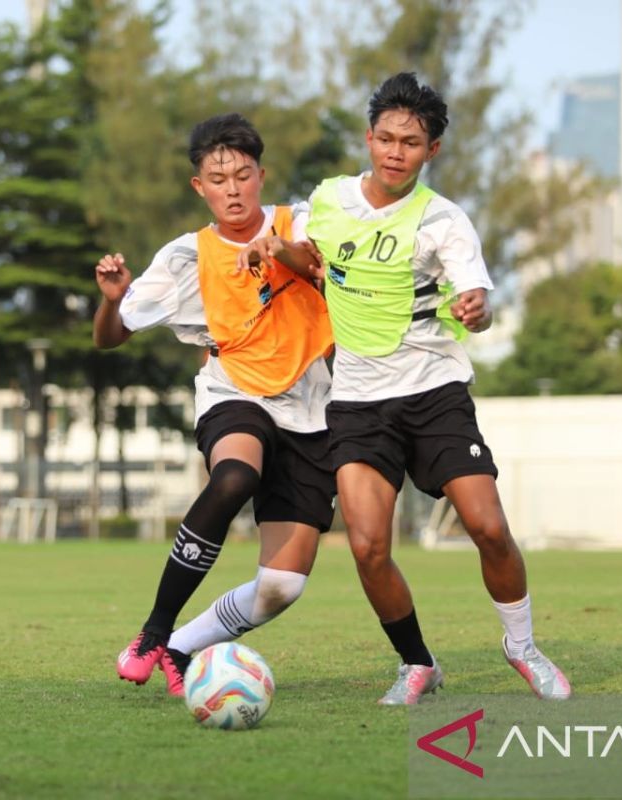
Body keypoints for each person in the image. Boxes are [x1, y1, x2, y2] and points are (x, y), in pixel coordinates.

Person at [240, 73, 570, 703]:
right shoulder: (330, 199)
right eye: (386, 138)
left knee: (488, 527)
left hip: (435, 389)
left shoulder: (444, 221)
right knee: (366, 545)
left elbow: (479, 300)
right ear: (369, 138)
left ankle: (523, 647)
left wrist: (480, 312)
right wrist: (275, 247)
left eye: (411, 143)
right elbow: (312, 261)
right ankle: (417, 663)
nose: (396, 151)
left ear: (432, 151)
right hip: (360, 400)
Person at [93, 113, 335, 697]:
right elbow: (110, 337)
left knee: (281, 587)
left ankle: (181, 646)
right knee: (233, 477)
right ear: (199, 186)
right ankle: (154, 632)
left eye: (243, 175)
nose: (233, 188)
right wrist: (112, 300)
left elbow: (322, 269)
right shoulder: (184, 256)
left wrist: (279, 250)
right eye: (218, 178)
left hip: (312, 406)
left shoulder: (300, 222)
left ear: (261, 176)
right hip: (235, 391)